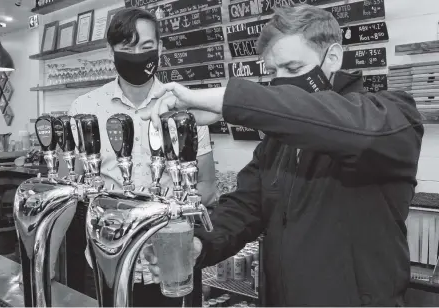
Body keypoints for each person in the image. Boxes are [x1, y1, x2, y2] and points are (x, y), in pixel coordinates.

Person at [142, 4, 424, 307]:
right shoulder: (278, 143)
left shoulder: (390, 117)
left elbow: (345, 128)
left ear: (333, 58)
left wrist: (226, 100)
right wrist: (201, 243)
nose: (281, 82)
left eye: (293, 69)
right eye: (273, 72)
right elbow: (245, 207)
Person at [52, 7, 218, 307]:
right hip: (107, 259)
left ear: (161, 47)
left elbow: (207, 185)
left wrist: (170, 217)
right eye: (127, 48)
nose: (138, 55)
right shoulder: (85, 107)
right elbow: (68, 186)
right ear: (111, 51)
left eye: (147, 47)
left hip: (171, 263)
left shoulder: (184, 106)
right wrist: (47, 256)